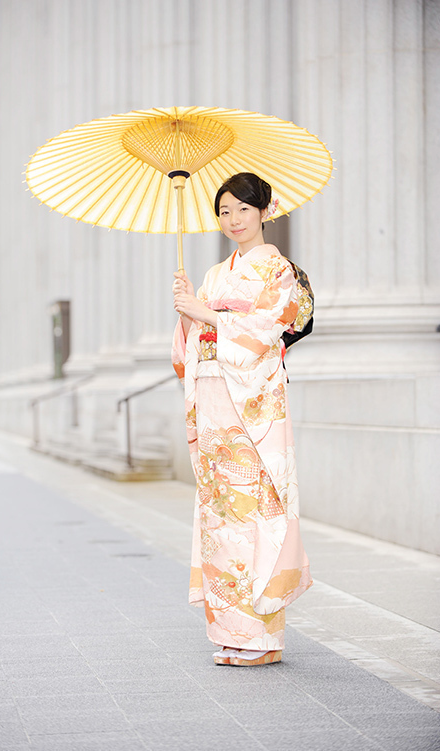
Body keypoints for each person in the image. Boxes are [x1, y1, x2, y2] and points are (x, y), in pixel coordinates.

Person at [171, 172, 313, 667]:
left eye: (243, 210)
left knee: (255, 510)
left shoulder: (280, 273)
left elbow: (268, 330)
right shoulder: (212, 275)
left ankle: (262, 639)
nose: (233, 220)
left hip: (253, 407)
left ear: (265, 211)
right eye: (225, 211)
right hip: (212, 402)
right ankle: (232, 634)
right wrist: (188, 311)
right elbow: (187, 352)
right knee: (220, 516)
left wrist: (207, 315)